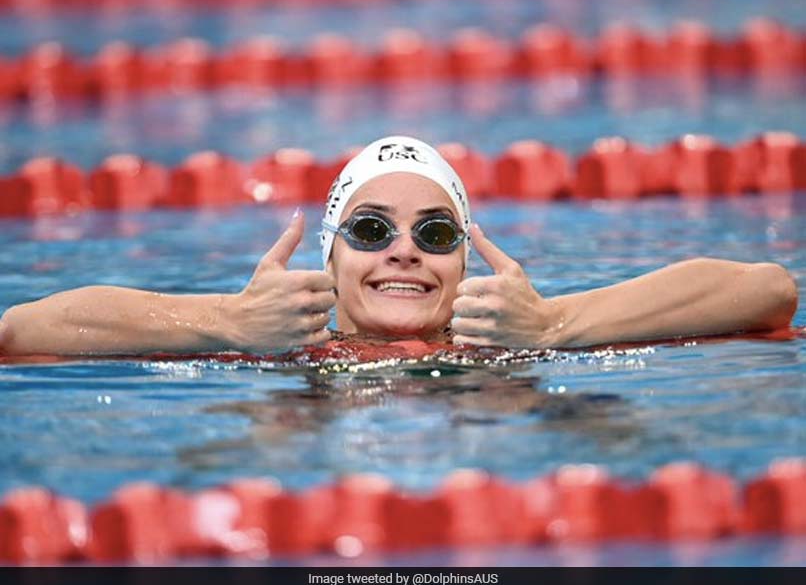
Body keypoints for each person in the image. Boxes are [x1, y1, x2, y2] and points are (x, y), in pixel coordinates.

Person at [0, 136, 798, 357]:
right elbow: (21, 331)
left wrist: (554, 325)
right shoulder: (283, 353)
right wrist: (227, 321)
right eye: (371, 229)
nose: (405, 251)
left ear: (464, 264)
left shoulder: (511, 346)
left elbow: (768, 291)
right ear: (329, 258)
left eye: (437, 232)